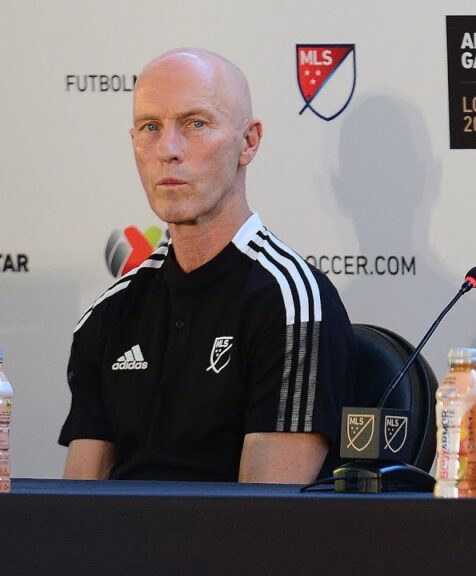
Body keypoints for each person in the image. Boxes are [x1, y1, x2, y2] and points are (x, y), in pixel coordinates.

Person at [59, 48, 355, 483]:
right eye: (150, 128)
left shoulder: (291, 304)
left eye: (196, 124)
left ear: (248, 142)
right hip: (114, 548)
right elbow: (75, 514)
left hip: (229, 549)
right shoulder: (108, 314)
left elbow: (264, 521)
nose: (168, 150)